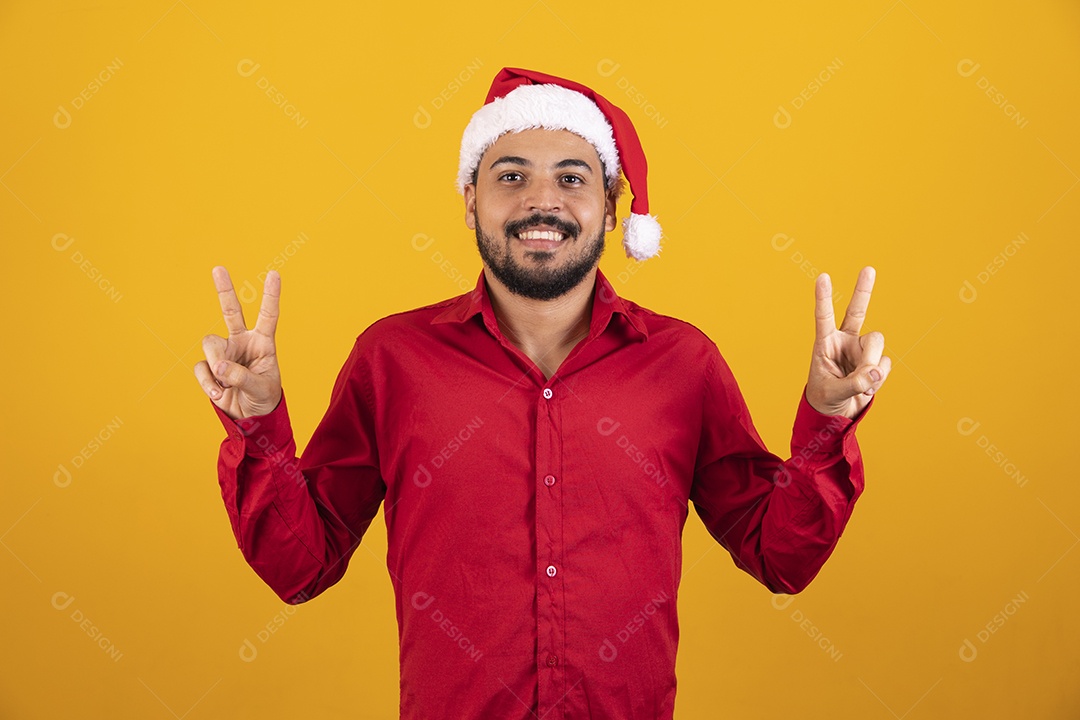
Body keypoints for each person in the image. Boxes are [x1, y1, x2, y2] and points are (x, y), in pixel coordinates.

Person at [193, 67, 890, 720]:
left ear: (610, 208)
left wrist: (828, 421)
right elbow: (300, 567)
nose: (542, 201)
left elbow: (780, 556)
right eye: (511, 175)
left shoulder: (683, 364)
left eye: (571, 178)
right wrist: (258, 424)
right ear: (471, 202)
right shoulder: (392, 360)